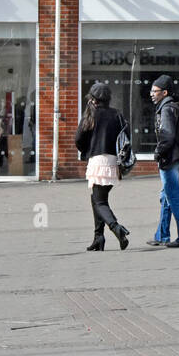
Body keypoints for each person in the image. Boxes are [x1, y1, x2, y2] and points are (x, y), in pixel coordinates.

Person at [75, 82, 130, 252]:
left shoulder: (90, 115)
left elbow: (78, 139)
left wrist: (86, 150)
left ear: (92, 99)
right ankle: (98, 237)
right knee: (97, 198)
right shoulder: (117, 114)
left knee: (100, 201)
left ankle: (117, 228)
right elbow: (126, 138)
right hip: (113, 162)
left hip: (97, 161)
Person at [147, 74, 179, 249]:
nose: (151, 94)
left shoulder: (166, 109)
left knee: (173, 198)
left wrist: (158, 152)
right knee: (166, 196)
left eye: (155, 91)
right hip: (178, 158)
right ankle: (162, 235)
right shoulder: (175, 106)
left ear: (164, 92)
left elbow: (167, 136)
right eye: (151, 90)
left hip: (170, 159)